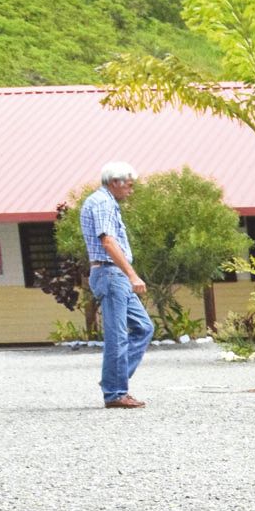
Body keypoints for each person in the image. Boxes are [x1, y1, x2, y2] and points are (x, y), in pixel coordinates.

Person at [81, 162, 153, 409]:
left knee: (143, 328)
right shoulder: (102, 203)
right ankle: (115, 392)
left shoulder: (107, 203)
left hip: (116, 276)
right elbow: (108, 242)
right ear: (115, 182)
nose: (131, 191)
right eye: (129, 185)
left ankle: (113, 380)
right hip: (111, 274)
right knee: (117, 335)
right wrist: (132, 275)